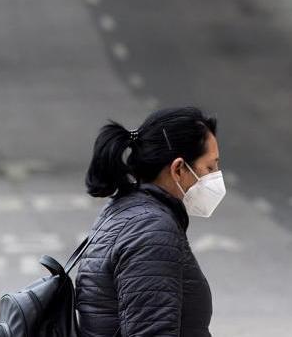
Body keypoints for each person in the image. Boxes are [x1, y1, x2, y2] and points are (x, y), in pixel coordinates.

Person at [76, 106, 222, 337]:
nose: (215, 176)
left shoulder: (126, 210)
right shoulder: (151, 231)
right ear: (179, 169)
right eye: (210, 167)